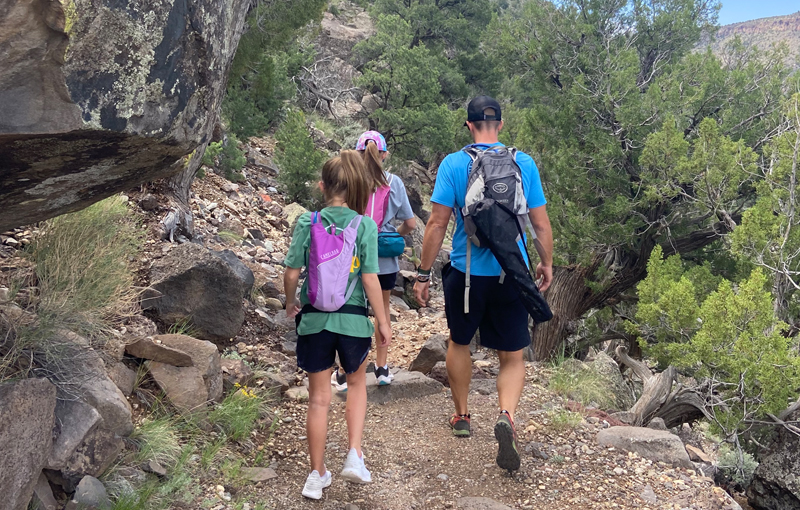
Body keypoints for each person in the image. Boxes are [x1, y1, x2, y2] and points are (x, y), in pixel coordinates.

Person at [413, 96, 553, 472]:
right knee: (512, 355)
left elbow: (437, 224)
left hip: (467, 273)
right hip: (513, 273)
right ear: (501, 125)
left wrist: (424, 274)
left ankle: (462, 416)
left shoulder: (454, 164)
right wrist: (546, 262)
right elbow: (539, 225)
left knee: (460, 342)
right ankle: (506, 414)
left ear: (469, 125)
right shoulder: (522, 163)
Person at [284, 150, 392, 499]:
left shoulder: (307, 222)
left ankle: (316, 476)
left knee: (318, 398)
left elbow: (292, 272)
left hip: (315, 320)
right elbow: (372, 278)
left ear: (322, 186)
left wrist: (290, 301)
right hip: (353, 321)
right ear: (359, 188)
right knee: (357, 384)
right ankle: (354, 455)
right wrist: (383, 321)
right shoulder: (365, 225)